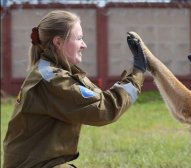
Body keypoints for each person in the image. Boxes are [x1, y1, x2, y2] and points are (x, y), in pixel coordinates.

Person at [3, 10, 147, 168]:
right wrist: (138, 73)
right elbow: (104, 109)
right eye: (79, 38)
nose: (84, 45)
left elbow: (99, 98)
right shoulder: (52, 80)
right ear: (58, 42)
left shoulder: (53, 72)